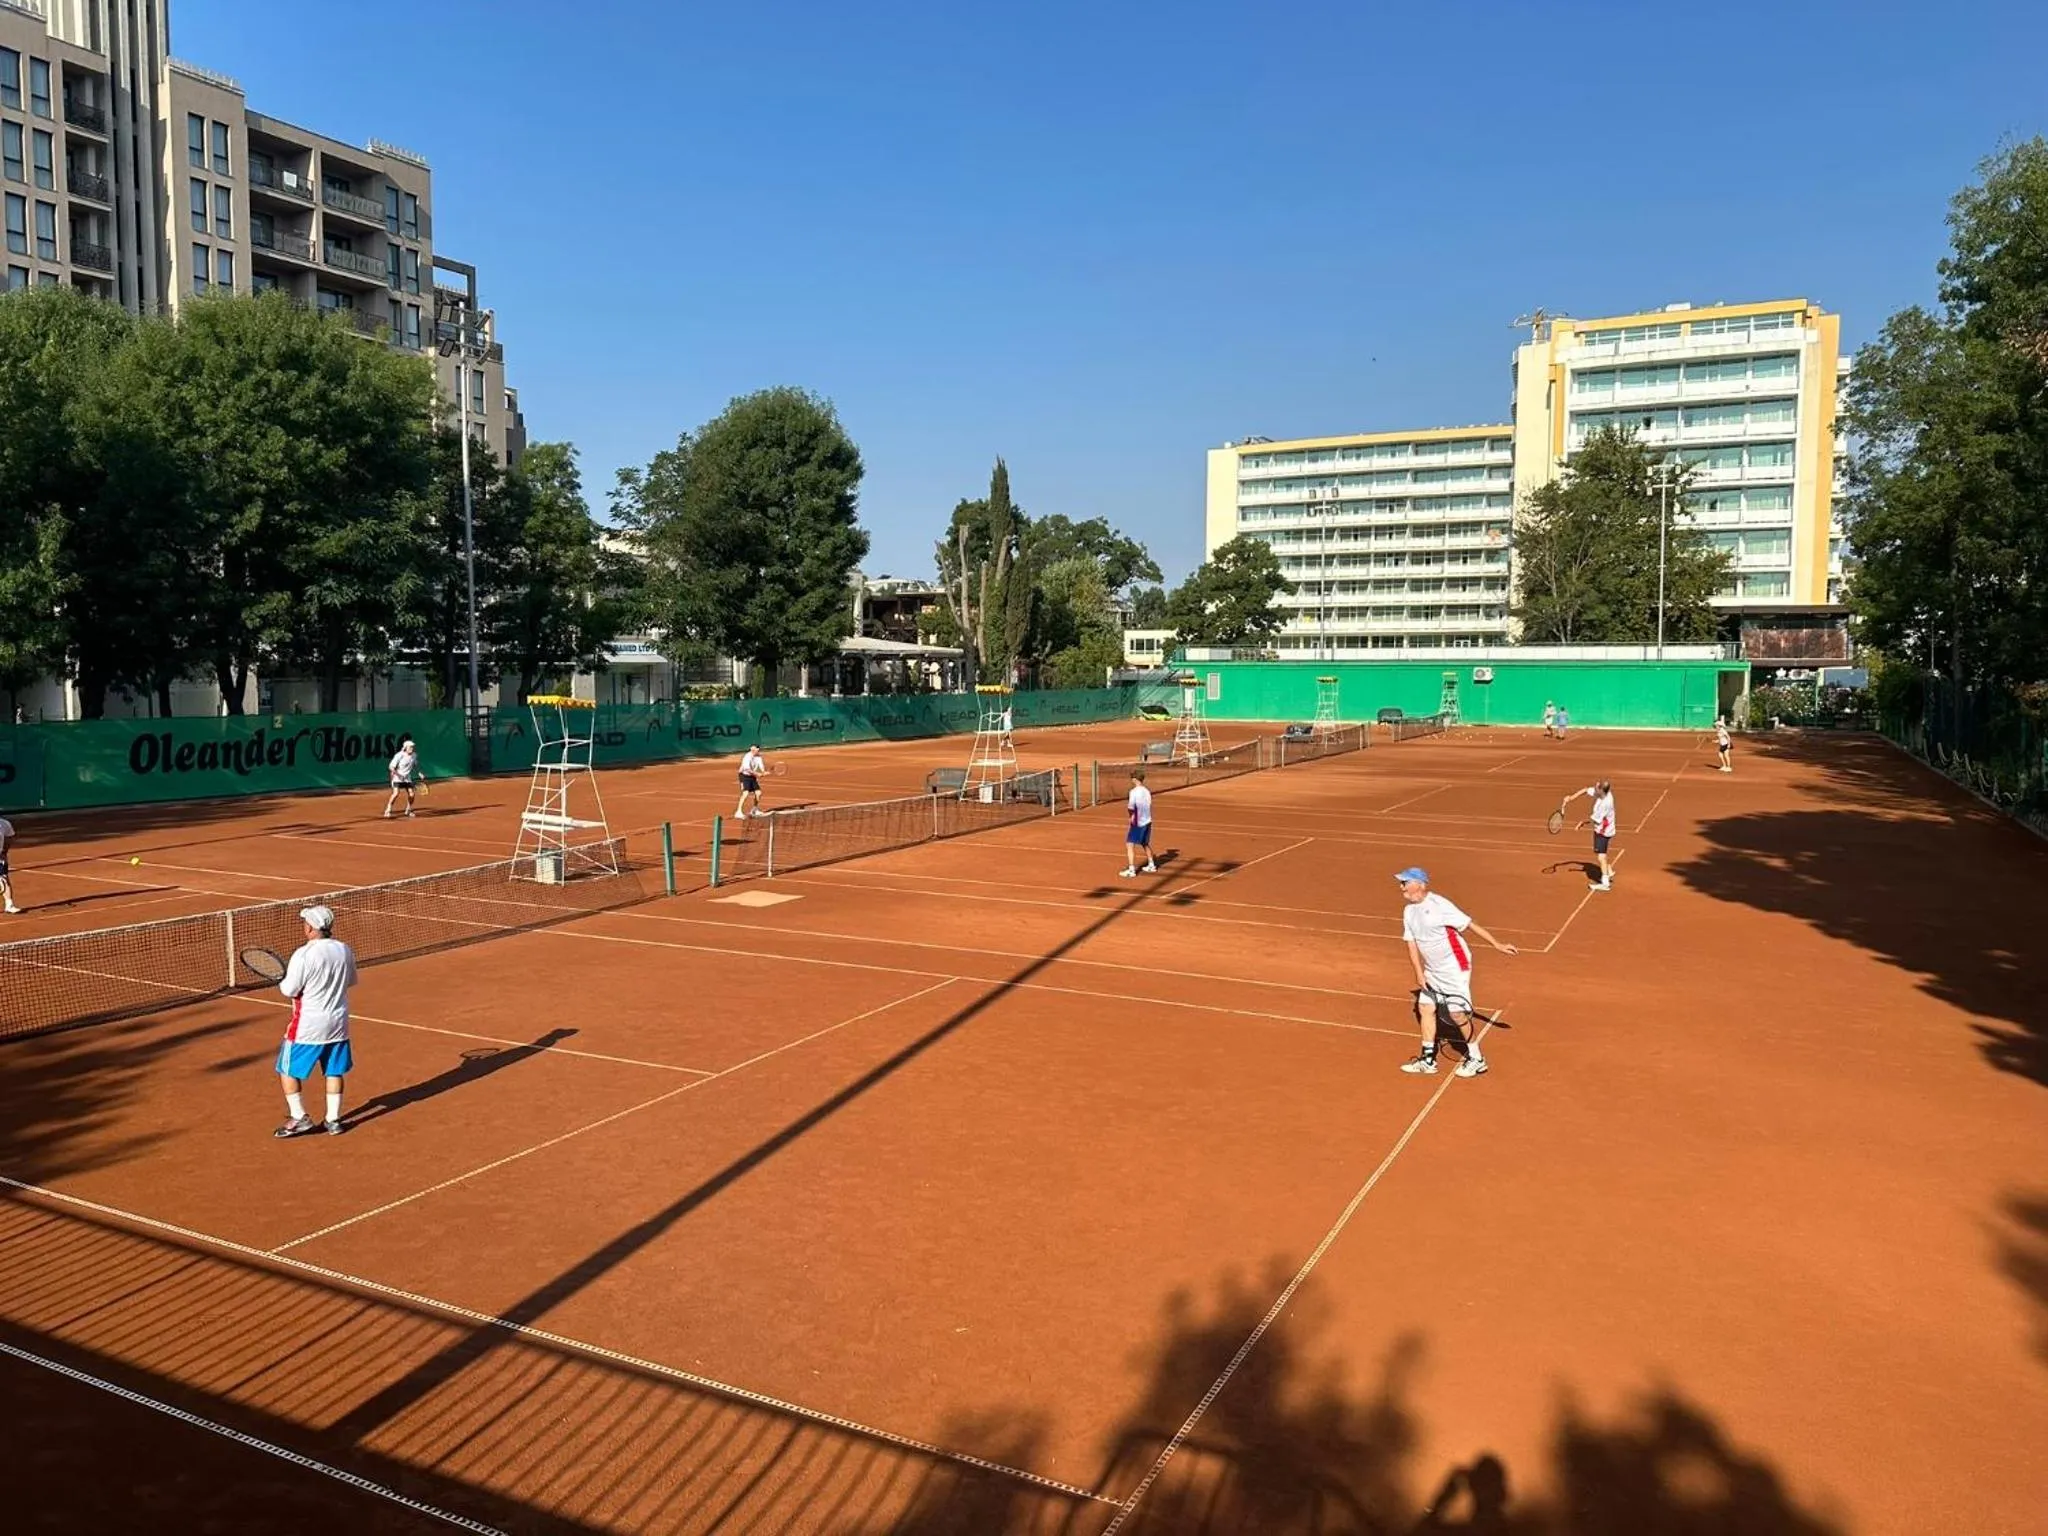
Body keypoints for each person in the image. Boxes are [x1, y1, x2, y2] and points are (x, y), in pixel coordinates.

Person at [1395, 868, 1516, 1077]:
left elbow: (1469, 924)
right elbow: (1411, 944)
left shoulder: (1439, 905)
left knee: (1456, 1013)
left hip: (1454, 967)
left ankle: (1477, 1059)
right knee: (1425, 1007)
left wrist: (1496, 943)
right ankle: (1428, 1060)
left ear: (1420, 884)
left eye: (1405, 882)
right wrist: (1419, 973)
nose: (1401, 887)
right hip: (1432, 969)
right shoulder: (1408, 911)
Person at [275, 905, 358, 1138]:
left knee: (286, 1069)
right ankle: (333, 1120)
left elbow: (289, 989)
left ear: (310, 927)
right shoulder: (344, 949)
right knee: (334, 1071)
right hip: (338, 1024)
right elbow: (350, 981)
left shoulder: (303, 954)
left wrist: (283, 983)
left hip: (307, 1027)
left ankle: (300, 1117)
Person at [1561, 778, 1618, 891]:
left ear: (1602, 791)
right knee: (1601, 852)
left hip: (1603, 831)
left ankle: (1605, 883)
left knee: (1601, 856)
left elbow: (1595, 819)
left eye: (1597, 787)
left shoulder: (1605, 804)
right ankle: (1608, 869)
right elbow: (1585, 790)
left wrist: (1582, 823)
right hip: (1605, 829)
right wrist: (1571, 797)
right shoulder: (1603, 793)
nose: (1595, 788)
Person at [1120, 767, 1157, 877]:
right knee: (1144, 843)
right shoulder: (1147, 791)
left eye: (1132, 778)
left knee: (1129, 844)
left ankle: (1131, 870)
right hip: (1147, 820)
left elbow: (1131, 807)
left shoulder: (1133, 792)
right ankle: (1151, 864)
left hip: (1138, 821)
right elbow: (1148, 804)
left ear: (1135, 779)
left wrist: (1131, 816)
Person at [383, 735, 425, 819]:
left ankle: (408, 810)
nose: (412, 748)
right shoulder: (399, 755)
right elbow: (391, 767)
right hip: (397, 777)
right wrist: (398, 775)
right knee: (396, 794)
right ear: (405, 747)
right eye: (410, 747)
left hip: (407, 778)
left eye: (413, 747)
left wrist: (419, 773)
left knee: (412, 794)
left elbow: (415, 765)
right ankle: (388, 809)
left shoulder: (414, 755)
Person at [735, 743, 768, 819]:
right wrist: (757, 774)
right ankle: (738, 812)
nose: (753, 751)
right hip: (744, 776)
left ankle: (754, 810)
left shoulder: (759, 757)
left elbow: (761, 766)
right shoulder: (747, 757)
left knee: (758, 793)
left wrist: (763, 772)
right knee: (745, 793)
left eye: (754, 750)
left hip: (752, 776)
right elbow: (747, 769)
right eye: (751, 749)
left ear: (758, 750)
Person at [0, 812, 18, 914]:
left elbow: (9, 837)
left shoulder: (4, 823)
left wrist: (4, 852)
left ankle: (9, 905)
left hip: (0, 858)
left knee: (4, 879)